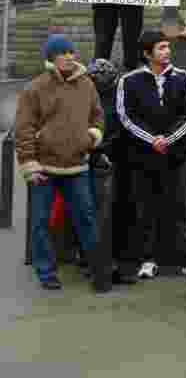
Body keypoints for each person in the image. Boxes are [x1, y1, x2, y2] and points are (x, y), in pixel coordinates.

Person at [16, 35, 104, 290]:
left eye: (71, 52)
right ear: (51, 58)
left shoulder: (87, 84)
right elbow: (24, 128)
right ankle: (46, 272)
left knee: (86, 219)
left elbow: (97, 117)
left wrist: (91, 137)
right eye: (62, 53)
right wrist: (29, 164)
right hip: (44, 168)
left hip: (77, 165)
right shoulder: (35, 88)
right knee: (40, 223)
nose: (68, 57)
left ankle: (96, 269)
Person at [116, 31, 186, 280]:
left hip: (175, 155)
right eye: (161, 48)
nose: (167, 51)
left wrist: (168, 139)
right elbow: (126, 116)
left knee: (178, 206)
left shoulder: (183, 78)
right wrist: (152, 139)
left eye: (167, 47)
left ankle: (180, 258)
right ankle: (147, 258)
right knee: (144, 208)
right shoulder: (129, 81)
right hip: (142, 156)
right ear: (147, 53)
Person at [86, 58, 137, 286]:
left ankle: (113, 263)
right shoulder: (95, 97)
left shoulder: (119, 97)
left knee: (115, 213)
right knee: (102, 215)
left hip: (117, 159)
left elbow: (125, 125)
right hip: (101, 160)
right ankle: (101, 263)